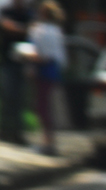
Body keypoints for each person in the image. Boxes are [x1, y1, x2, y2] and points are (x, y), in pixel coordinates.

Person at [29, 0, 66, 156]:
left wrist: (30, 64)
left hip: (43, 69)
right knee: (47, 106)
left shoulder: (39, 30)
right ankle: (49, 141)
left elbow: (37, 53)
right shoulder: (57, 31)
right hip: (54, 70)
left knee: (43, 107)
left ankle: (48, 142)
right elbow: (62, 57)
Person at [0, 0, 31, 145]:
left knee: (20, 99)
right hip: (8, 62)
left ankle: (17, 133)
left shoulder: (27, 12)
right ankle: (5, 132)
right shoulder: (7, 11)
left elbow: (34, 29)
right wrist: (23, 29)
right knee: (8, 97)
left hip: (23, 63)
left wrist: (18, 28)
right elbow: (6, 26)